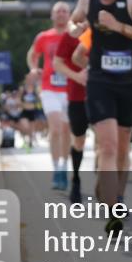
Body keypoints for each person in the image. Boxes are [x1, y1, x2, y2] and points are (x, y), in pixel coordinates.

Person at [70, 0, 132, 235]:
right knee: (109, 146)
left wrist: (118, 26)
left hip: (128, 83)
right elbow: (73, 24)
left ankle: (117, 196)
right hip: (100, 82)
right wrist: (76, 28)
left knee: (123, 148)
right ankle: (113, 212)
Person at [29, 2, 73, 190]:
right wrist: (33, 69)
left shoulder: (75, 35)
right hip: (49, 89)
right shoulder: (44, 37)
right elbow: (32, 54)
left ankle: (64, 165)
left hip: (71, 88)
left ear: (69, 15)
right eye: (58, 12)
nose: (61, 14)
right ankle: (56, 169)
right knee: (55, 128)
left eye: (65, 11)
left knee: (66, 130)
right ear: (52, 16)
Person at [53, 21, 91, 203]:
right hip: (77, 95)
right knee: (79, 140)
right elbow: (57, 63)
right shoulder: (71, 37)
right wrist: (76, 76)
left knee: (106, 142)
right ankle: (75, 178)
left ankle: (109, 188)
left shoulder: (108, 32)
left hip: (104, 95)